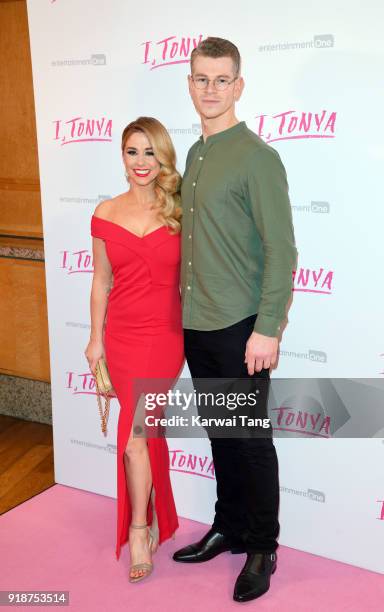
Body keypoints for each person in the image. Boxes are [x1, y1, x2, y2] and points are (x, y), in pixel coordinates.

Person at [172, 37, 298, 603]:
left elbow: (282, 250)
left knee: (250, 440)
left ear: (239, 86)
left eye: (222, 80)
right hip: (197, 323)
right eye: (202, 79)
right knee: (222, 434)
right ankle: (228, 526)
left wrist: (267, 327)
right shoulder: (195, 155)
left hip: (241, 328)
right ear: (190, 83)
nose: (211, 90)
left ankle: (263, 545)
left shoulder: (257, 157)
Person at [85, 117, 184, 582]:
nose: (141, 162)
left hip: (166, 336)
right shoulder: (105, 213)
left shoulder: (181, 210)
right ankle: (155, 514)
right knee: (145, 434)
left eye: (150, 152)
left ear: (162, 157)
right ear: (121, 157)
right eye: (132, 151)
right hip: (122, 336)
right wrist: (94, 338)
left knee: (135, 437)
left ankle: (139, 529)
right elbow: (101, 281)